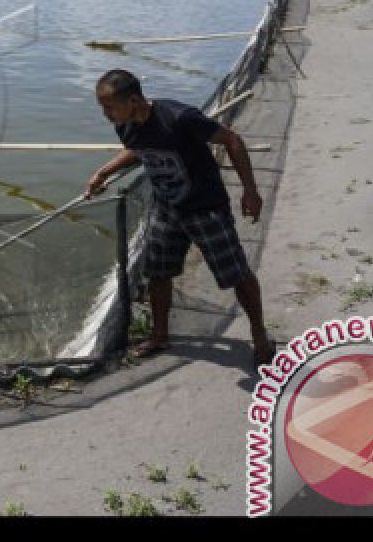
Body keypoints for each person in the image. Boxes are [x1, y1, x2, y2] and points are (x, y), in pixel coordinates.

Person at [85, 69, 276, 370]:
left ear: (134, 100)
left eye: (109, 106)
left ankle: (260, 334)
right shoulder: (125, 124)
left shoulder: (179, 117)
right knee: (158, 272)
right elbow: (138, 150)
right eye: (102, 108)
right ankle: (160, 335)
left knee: (235, 273)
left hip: (204, 207)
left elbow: (233, 141)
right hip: (167, 207)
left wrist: (250, 191)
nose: (106, 114)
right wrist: (104, 172)